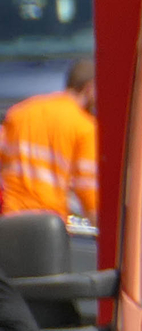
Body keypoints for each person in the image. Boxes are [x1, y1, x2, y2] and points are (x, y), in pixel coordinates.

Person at [0, 58, 98, 221]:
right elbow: (87, 189)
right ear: (89, 88)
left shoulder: (20, 112)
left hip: (10, 217)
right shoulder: (84, 127)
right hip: (48, 220)